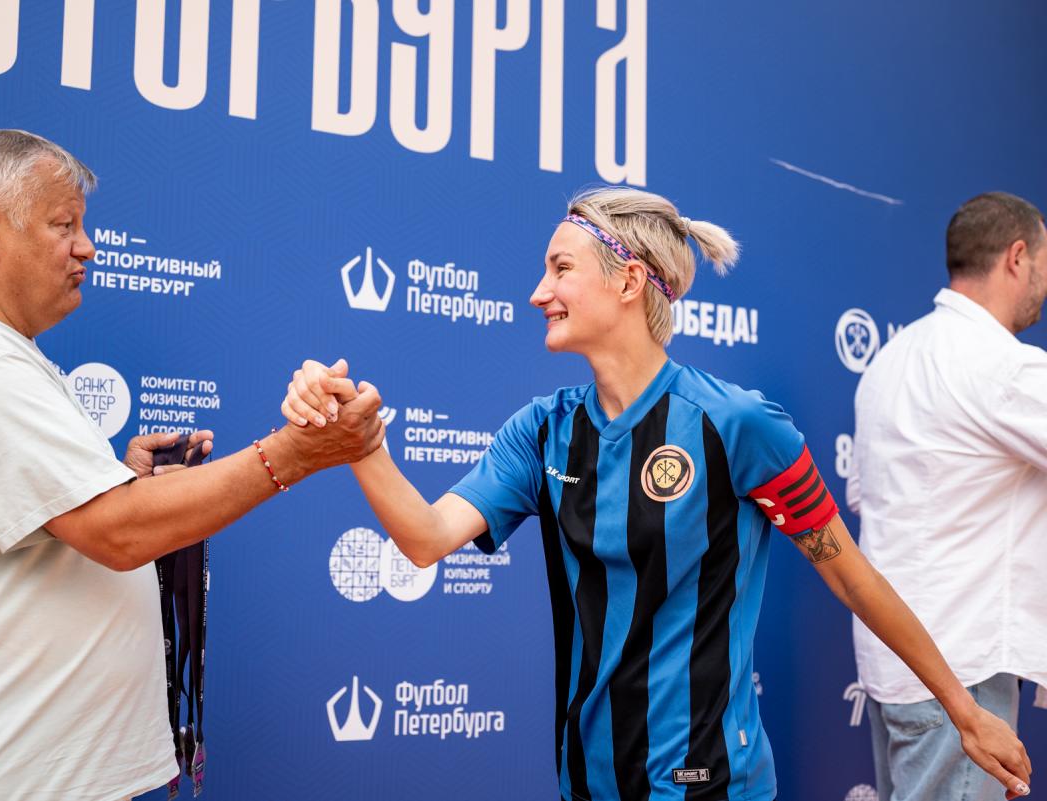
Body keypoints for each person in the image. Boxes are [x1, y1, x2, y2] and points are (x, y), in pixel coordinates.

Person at [282, 186, 1032, 801]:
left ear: (629, 280)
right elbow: (423, 539)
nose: (539, 292)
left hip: (712, 785)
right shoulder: (543, 431)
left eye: (561, 268)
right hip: (588, 781)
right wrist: (362, 445)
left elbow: (852, 576)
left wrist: (964, 712)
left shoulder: (737, 424)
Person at [0, 129, 383, 801]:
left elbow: (71, 524)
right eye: (64, 225)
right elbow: (116, 530)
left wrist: (124, 484)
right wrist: (293, 453)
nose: (87, 247)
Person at [847, 191, 1047, 801]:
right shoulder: (1001, 366)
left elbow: (863, 495)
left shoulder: (891, 360)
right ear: (1017, 257)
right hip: (961, 676)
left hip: (898, 664)